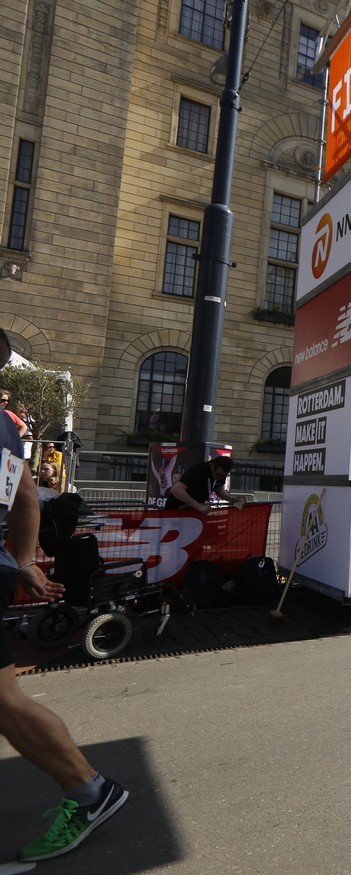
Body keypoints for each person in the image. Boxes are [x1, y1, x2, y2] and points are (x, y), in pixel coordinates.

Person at [0, 330, 129, 862]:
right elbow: (26, 497)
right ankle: (90, 791)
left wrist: (21, 561)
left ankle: (90, 791)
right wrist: (21, 561)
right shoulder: (6, 428)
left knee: (6, 703)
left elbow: (26, 498)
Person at [163, 455, 245, 512]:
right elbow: (176, 489)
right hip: (176, 509)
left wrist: (231, 499)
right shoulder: (198, 471)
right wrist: (198, 506)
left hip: (193, 511)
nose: (220, 477)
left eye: (224, 475)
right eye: (218, 474)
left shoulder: (220, 474)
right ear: (212, 466)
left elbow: (219, 490)